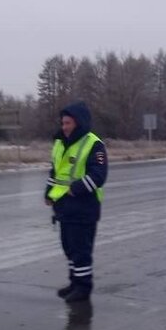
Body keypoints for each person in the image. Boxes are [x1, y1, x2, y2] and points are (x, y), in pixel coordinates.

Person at [44, 101, 107, 303]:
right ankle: (74, 282)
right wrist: (48, 192)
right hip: (63, 206)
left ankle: (83, 287)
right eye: (63, 123)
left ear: (78, 123)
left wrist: (75, 189)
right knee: (69, 247)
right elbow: (55, 171)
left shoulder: (93, 144)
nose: (64, 127)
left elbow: (98, 175)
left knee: (81, 250)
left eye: (68, 123)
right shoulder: (60, 143)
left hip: (84, 206)